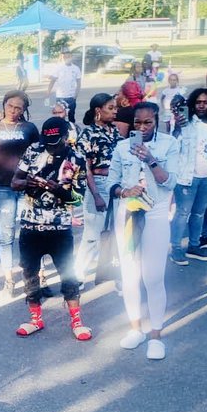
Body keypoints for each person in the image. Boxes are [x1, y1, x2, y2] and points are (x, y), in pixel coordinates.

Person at [107, 102, 180, 360]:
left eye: (147, 122)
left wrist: (149, 158)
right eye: (137, 123)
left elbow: (170, 181)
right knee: (129, 276)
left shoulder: (170, 144)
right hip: (127, 212)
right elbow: (110, 181)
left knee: (153, 277)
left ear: (157, 121)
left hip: (156, 213)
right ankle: (135, 328)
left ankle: (156, 335)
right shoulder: (121, 146)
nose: (141, 127)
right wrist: (123, 192)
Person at [11, 118, 91, 341]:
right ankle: (35, 319)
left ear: (66, 138)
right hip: (30, 225)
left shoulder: (76, 158)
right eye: (47, 141)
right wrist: (29, 183)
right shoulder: (34, 149)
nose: (50, 146)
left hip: (59, 228)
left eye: (55, 142)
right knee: (29, 272)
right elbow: (14, 183)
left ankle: (77, 321)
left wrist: (58, 191)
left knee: (68, 273)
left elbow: (77, 200)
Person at [0, 93, 39, 295]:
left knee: (29, 234)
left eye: (18, 107)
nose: (13, 110)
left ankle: (34, 276)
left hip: (25, 187)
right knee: (6, 236)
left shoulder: (29, 128)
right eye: (10, 106)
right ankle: (9, 279)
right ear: (4, 105)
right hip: (2, 188)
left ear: (24, 110)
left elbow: (39, 154)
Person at [169, 87, 207, 264]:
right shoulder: (186, 124)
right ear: (193, 104)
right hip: (186, 177)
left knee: (198, 214)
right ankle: (176, 248)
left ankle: (194, 246)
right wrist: (178, 129)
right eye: (198, 102)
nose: (201, 106)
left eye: (205, 102)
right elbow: (174, 146)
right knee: (182, 213)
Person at [75, 93, 119, 285]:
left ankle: (112, 271)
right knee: (92, 235)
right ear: (98, 111)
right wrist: (96, 195)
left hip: (116, 184)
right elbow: (86, 168)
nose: (115, 111)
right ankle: (77, 275)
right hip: (98, 185)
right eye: (111, 108)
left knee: (114, 230)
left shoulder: (114, 131)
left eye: (115, 107)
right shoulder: (88, 134)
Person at [44, 49, 81, 121]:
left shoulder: (76, 68)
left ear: (71, 57)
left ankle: (72, 130)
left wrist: (76, 95)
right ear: (63, 58)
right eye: (65, 57)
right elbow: (52, 81)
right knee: (60, 116)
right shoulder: (58, 68)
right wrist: (48, 92)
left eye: (69, 56)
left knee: (71, 116)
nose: (67, 59)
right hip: (61, 96)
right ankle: (61, 130)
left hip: (71, 97)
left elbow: (78, 82)